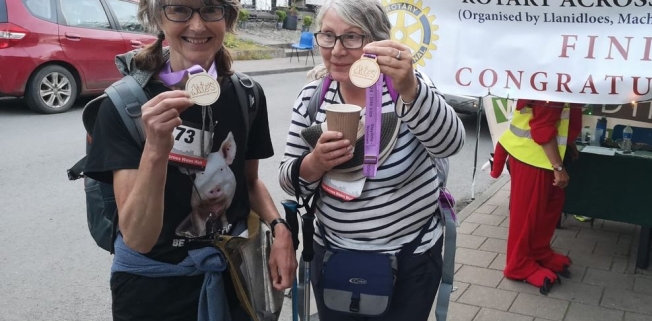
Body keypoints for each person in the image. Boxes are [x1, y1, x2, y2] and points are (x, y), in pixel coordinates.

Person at [83, 1, 296, 320]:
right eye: (180, 9)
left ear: (228, 18)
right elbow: (138, 239)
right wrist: (155, 147)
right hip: (152, 290)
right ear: (157, 18)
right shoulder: (125, 105)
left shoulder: (247, 95)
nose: (197, 25)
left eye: (211, 9)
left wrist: (280, 230)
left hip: (234, 277)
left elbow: (249, 183)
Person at [277, 0, 465, 320]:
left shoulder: (405, 87)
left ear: (379, 42)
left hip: (411, 256)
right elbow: (289, 179)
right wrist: (316, 163)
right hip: (335, 256)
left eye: (352, 37)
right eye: (328, 36)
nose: (336, 50)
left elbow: (450, 143)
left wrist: (410, 88)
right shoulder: (313, 98)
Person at [489, 99, 583, 294]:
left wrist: (568, 143)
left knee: (549, 210)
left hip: (542, 156)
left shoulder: (563, 77)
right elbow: (541, 127)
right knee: (526, 217)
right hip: (531, 157)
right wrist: (558, 166)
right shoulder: (552, 78)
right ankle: (518, 265)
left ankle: (538, 251)